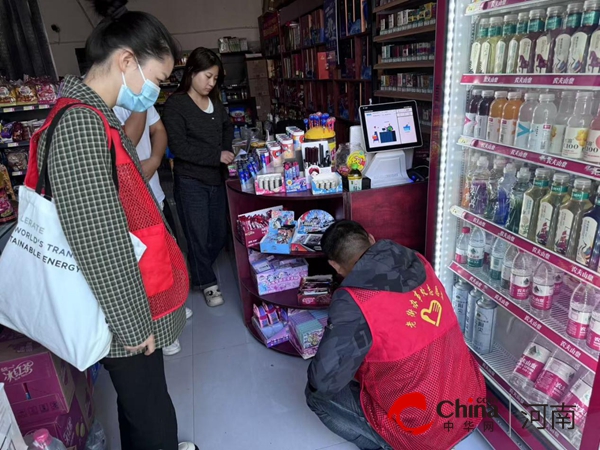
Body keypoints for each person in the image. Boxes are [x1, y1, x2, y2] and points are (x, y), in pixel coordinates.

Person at [34, 0, 195, 448]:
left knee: (139, 408)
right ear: (127, 60)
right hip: (122, 316)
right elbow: (98, 238)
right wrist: (133, 323)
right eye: (157, 81)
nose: (156, 94)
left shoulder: (93, 116)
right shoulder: (81, 126)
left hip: (124, 307)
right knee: (154, 418)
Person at [305, 221, 486, 450]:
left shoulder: (354, 300)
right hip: (470, 404)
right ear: (371, 239)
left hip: (425, 433)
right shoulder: (418, 261)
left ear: (335, 266)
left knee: (316, 395)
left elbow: (324, 382)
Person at [114, 105, 193, 356]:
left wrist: (156, 160)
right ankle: (161, 330)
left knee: (167, 259)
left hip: (154, 195)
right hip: (129, 203)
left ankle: (173, 310)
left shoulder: (141, 97)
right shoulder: (107, 101)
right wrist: (138, 103)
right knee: (148, 270)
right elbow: (125, 142)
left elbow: (158, 129)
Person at [162, 47, 235, 307]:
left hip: (215, 179)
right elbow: (180, 148)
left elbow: (228, 125)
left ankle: (198, 267)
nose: (211, 83)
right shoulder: (176, 104)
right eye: (207, 76)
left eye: (215, 78)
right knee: (196, 233)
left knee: (218, 232)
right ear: (192, 71)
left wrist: (225, 149)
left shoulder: (214, 102)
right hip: (190, 180)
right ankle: (207, 283)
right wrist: (216, 155)